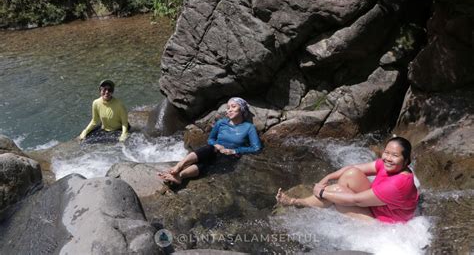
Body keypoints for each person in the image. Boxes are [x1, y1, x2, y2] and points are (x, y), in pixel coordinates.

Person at [276, 137, 419, 223]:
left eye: (394, 155)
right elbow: (354, 168)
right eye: (386, 152)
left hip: (384, 224)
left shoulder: (397, 184)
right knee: (351, 173)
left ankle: (297, 202)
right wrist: (327, 177)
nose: (388, 158)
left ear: (406, 161)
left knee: (335, 190)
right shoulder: (389, 165)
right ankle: (325, 201)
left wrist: (322, 193)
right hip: (379, 206)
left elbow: (356, 200)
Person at [158, 97, 262, 184]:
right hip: (214, 149)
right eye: (228, 107)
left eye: (233, 107)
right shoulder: (221, 123)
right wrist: (217, 145)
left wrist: (234, 151)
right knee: (209, 148)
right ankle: (179, 165)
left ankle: (180, 176)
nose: (229, 110)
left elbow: (256, 148)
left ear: (242, 109)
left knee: (208, 164)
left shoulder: (249, 127)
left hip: (231, 156)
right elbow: (211, 139)